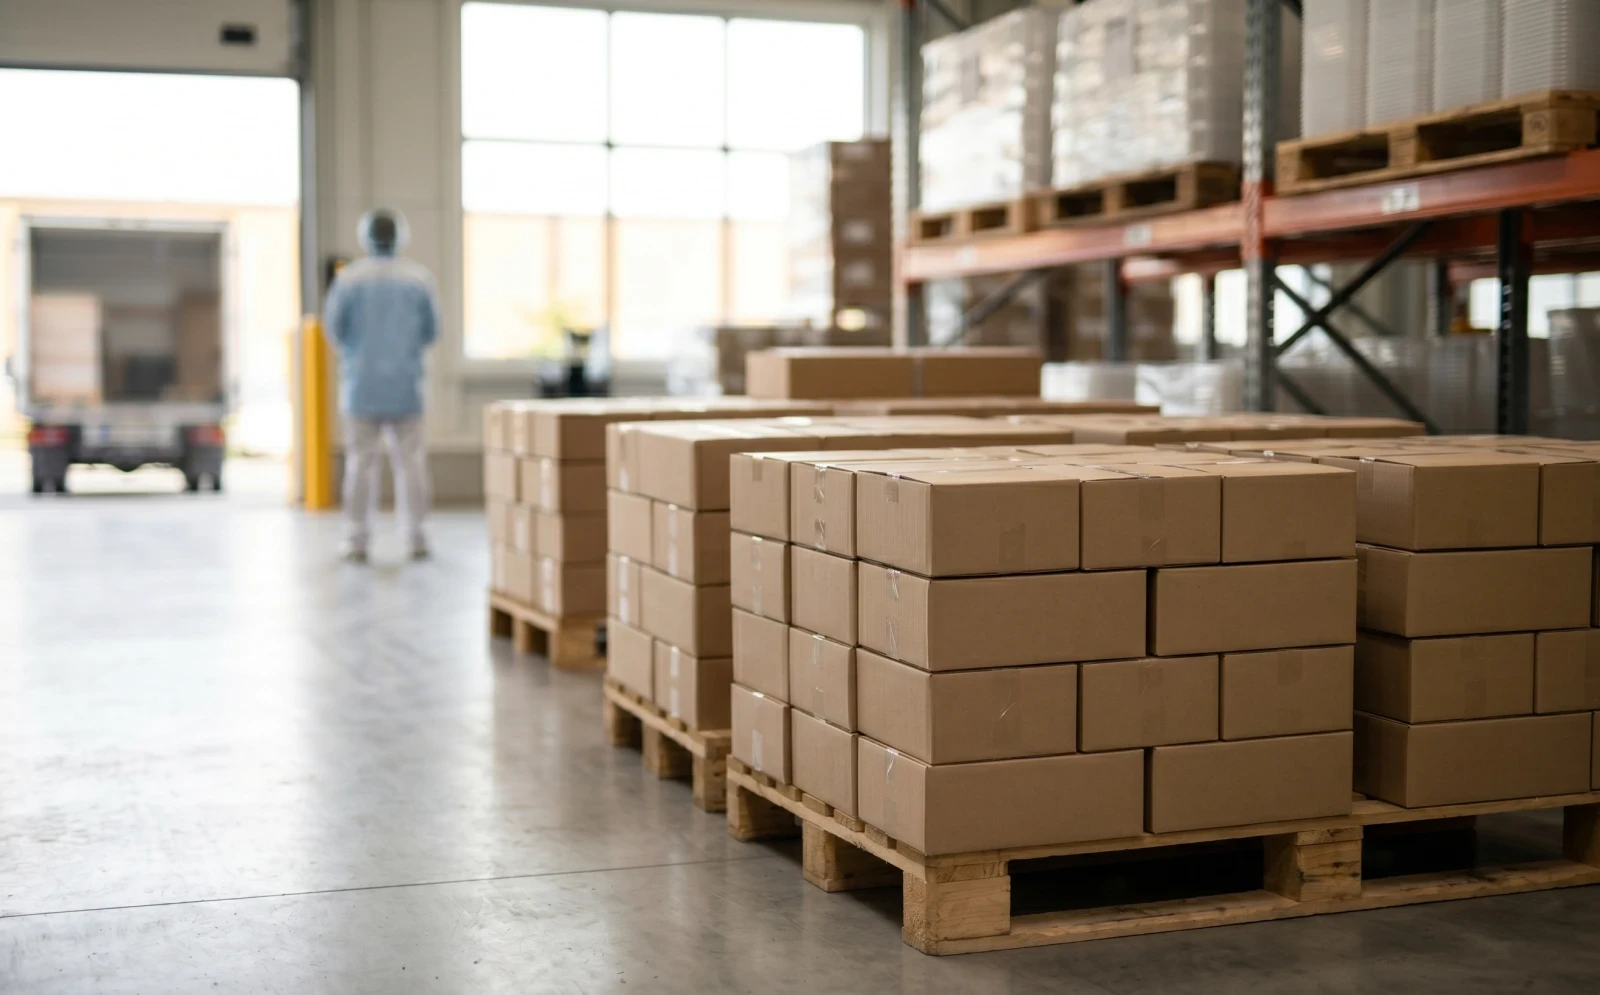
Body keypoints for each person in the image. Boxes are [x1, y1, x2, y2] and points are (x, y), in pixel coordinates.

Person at [322, 209, 439, 562]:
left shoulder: (348, 280)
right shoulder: (419, 279)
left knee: (361, 464)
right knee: (412, 464)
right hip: (406, 387)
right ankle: (416, 537)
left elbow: (335, 331)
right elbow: (432, 332)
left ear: (365, 237)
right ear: (400, 236)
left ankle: (357, 540)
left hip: (362, 388)